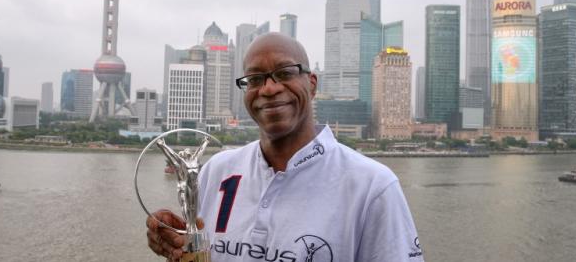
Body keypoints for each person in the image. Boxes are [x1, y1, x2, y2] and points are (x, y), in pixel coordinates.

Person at [146, 33, 424, 261]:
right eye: (255, 79)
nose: (268, 89)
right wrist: (174, 241)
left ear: (312, 84)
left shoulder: (372, 187)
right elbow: (196, 250)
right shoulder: (217, 171)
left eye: (284, 73)